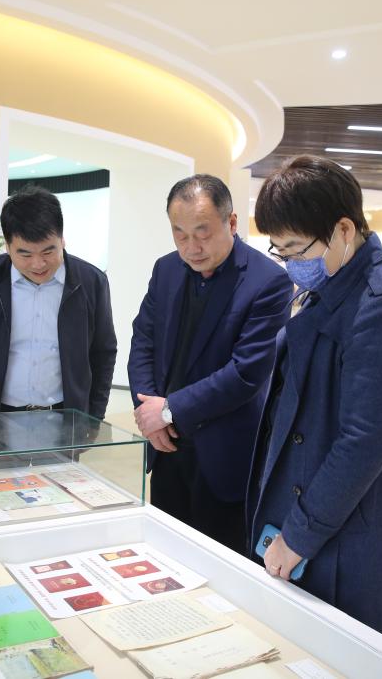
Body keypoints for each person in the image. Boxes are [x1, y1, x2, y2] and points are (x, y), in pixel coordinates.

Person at [246, 156, 382, 651]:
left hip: (345, 519)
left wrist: (300, 535)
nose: (289, 263)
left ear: (344, 230)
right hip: (313, 497)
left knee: (344, 650)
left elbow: (363, 442)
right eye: (279, 251)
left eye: (295, 249)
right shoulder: (332, 280)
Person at [128, 174, 293, 553]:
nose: (191, 247)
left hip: (223, 454)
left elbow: (246, 373)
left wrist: (168, 410)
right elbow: (143, 341)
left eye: (202, 233)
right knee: (164, 554)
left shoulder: (268, 281)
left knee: (220, 561)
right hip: (167, 446)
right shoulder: (166, 269)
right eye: (180, 234)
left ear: (231, 223)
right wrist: (148, 410)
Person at [0, 186, 117, 420]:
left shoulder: (91, 282)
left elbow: (103, 352)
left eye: (48, 252)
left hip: (66, 417)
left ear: (62, 240)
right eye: (25, 254)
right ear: (7, 247)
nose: (38, 264)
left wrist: (94, 418)